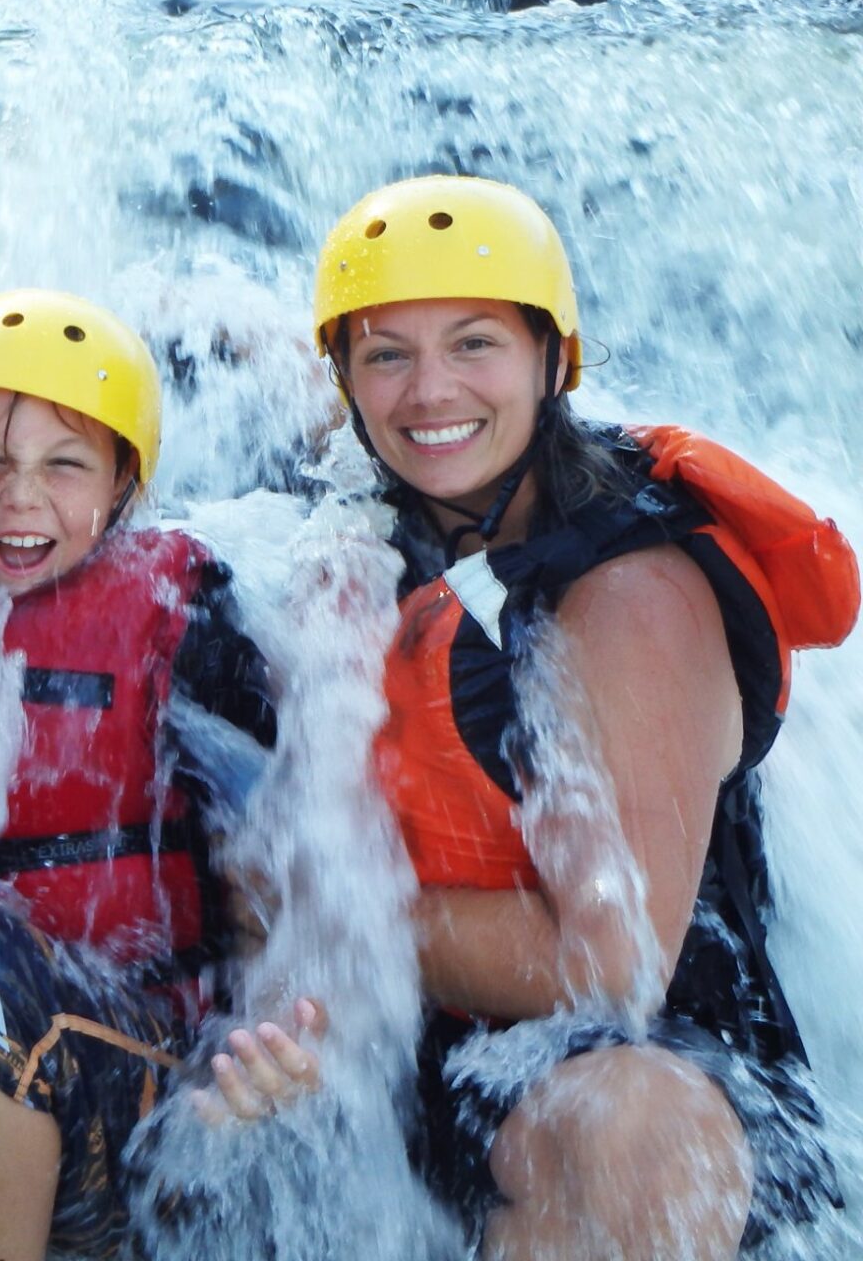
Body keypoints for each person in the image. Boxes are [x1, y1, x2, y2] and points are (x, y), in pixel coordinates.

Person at [313, 174, 860, 1258]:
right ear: (345, 381)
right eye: (386, 355)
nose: (429, 393)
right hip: (441, 1070)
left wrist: (324, 914)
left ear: (555, 360)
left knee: (626, 1128)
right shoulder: (398, 517)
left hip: (664, 1095)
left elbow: (614, 971)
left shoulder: (635, 594)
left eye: (475, 344)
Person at [0, 289, 319, 1261]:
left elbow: (270, 852)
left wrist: (272, 1036)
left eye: (65, 465)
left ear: (122, 484)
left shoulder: (181, 612)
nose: (21, 498)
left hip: (144, 1087)